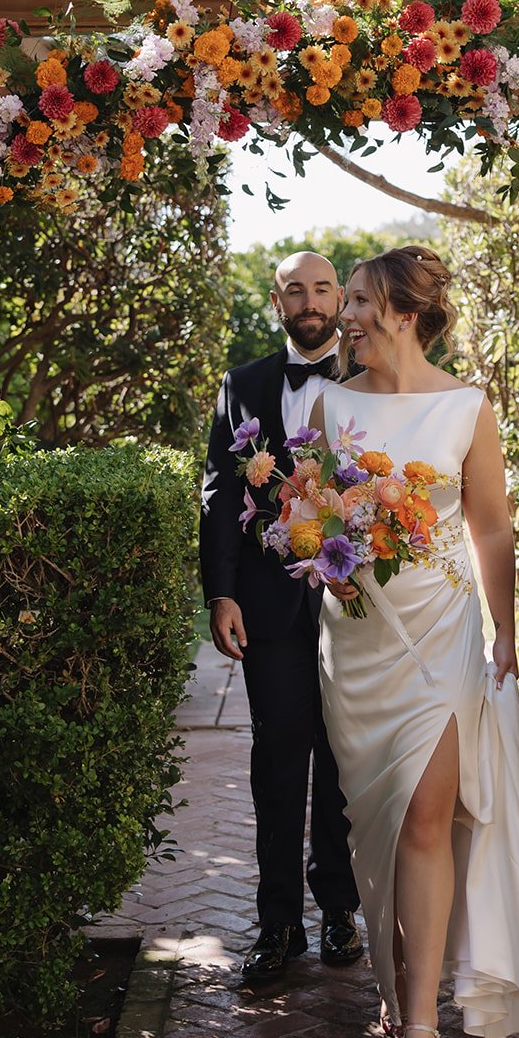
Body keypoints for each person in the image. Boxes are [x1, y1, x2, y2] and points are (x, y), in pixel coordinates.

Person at [308, 245, 519, 1038]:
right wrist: (321, 554)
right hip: (357, 642)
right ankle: (392, 979)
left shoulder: (466, 407)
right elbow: (309, 511)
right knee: (375, 825)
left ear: (403, 313)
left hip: (443, 634)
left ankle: (421, 1029)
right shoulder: (328, 403)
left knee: (425, 814)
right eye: (345, 302)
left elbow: (489, 526)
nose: (344, 317)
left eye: (357, 302)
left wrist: (506, 630)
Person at [199, 250, 362, 985]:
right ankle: (277, 924)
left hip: (354, 605)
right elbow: (217, 494)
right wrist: (221, 592)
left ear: (341, 297)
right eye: (295, 290)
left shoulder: (374, 380)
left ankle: (338, 910)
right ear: (277, 302)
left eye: (322, 289)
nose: (310, 302)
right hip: (268, 605)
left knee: (342, 762)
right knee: (277, 762)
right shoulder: (243, 384)